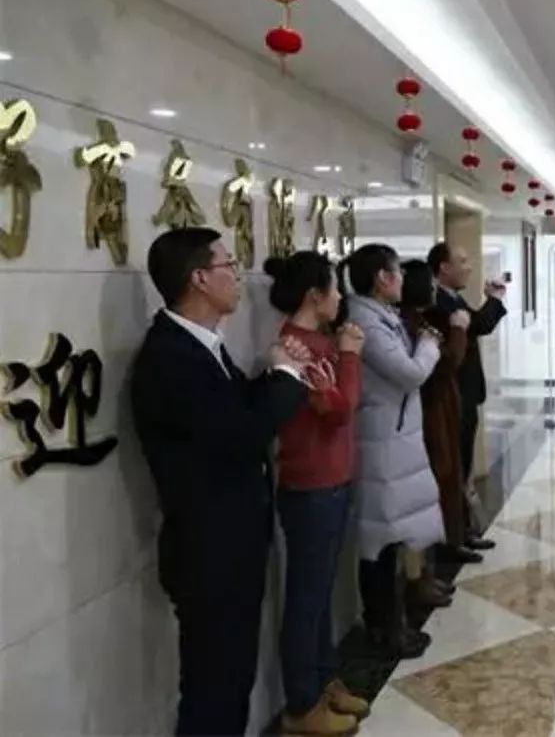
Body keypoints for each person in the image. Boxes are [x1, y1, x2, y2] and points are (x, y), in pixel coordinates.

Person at [132, 228, 309, 736]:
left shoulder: (201, 345)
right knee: (214, 691)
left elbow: (231, 413)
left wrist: (276, 372)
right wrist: (285, 378)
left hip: (230, 547)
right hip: (210, 552)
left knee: (230, 683)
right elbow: (242, 435)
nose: (238, 276)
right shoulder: (171, 358)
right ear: (200, 279)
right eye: (229, 265)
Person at [262, 252, 370, 735]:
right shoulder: (296, 347)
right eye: (335, 288)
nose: (341, 298)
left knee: (321, 593)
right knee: (306, 599)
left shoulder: (321, 341)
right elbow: (341, 408)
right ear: (314, 295)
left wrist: (343, 351)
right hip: (310, 487)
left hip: (333, 481)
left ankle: (325, 682)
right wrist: (350, 355)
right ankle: (301, 704)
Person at [342, 244, 446, 659]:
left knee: (393, 536)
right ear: (382, 278)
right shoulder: (365, 320)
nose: (403, 279)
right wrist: (429, 345)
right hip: (380, 442)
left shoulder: (381, 315)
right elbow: (410, 373)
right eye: (397, 272)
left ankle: (394, 621)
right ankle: (384, 629)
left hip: (395, 439)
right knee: (380, 541)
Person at [401, 260, 482, 567]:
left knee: (454, 471)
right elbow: (444, 363)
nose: (434, 289)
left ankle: (457, 536)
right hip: (430, 409)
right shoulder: (415, 323)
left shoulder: (422, 319)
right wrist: (458, 330)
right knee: (442, 474)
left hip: (446, 403)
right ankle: (441, 550)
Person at [428, 241, 505, 552]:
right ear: (444, 267)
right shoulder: (438, 302)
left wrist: (493, 300)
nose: (469, 267)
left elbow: (475, 324)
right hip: (452, 397)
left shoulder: (452, 297)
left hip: (465, 396)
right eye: (462, 260)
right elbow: (476, 326)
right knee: (454, 466)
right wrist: (494, 300)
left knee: (463, 463)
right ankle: (454, 537)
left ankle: (463, 530)